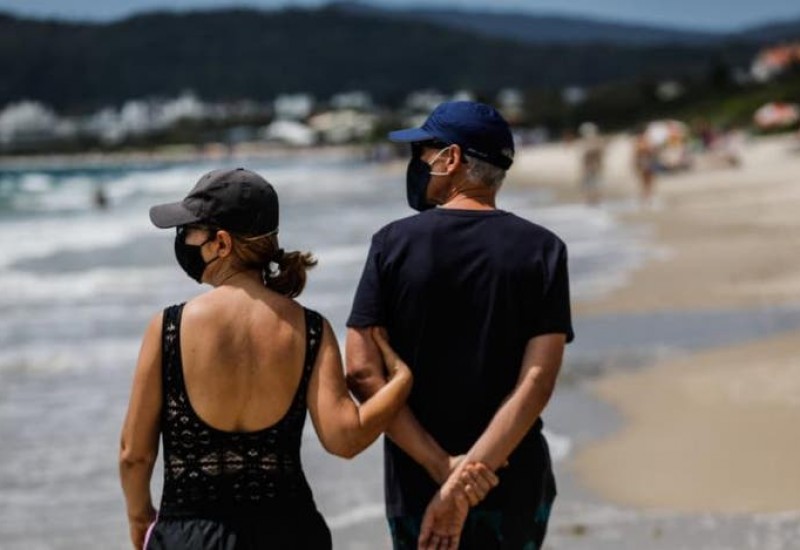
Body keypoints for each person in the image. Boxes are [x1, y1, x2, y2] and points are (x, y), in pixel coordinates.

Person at [119, 168, 494, 549]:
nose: (184, 240)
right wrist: (400, 382)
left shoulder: (168, 327)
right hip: (290, 532)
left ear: (221, 243)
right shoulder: (309, 329)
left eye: (190, 231)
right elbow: (344, 438)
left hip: (191, 535)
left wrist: (140, 517)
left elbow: (134, 455)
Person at [345, 102, 574, 549]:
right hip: (512, 475)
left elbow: (361, 371)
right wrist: (473, 476)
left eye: (421, 152)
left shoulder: (392, 245)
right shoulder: (544, 250)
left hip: (417, 477)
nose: (415, 165)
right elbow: (538, 379)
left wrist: (443, 472)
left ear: (450, 159)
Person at [577, 122, 605, 205]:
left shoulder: (593, 143)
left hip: (592, 166)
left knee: (592, 184)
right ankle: (592, 199)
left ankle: (593, 199)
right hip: (592, 166)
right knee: (591, 184)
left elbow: (596, 155)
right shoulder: (596, 142)